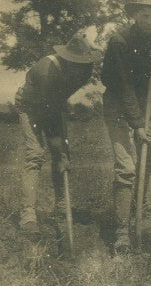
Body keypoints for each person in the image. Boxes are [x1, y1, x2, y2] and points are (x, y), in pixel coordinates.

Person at [101, 0, 151, 254]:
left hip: (142, 100)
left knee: (149, 158)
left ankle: (137, 208)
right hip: (118, 100)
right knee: (127, 167)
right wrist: (138, 125)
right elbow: (124, 85)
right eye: (145, 16)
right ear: (135, 15)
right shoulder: (119, 41)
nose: (149, 22)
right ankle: (121, 231)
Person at [15, 36, 98, 239]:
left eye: (83, 63)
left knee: (63, 156)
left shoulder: (86, 68)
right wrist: (59, 151)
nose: (80, 68)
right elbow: (49, 118)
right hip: (30, 105)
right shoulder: (46, 72)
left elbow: (57, 103)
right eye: (75, 63)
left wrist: (62, 153)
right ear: (66, 59)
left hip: (53, 104)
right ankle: (28, 216)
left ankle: (62, 207)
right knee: (36, 154)